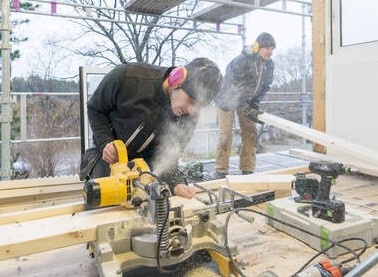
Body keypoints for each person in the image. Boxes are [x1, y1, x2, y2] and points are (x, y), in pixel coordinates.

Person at [79, 57, 223, 199]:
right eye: (191, 100)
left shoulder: (189, 113)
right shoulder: (127, 76)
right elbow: (95, 109)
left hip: (144, 170)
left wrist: (175, 184)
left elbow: (169, 157)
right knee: (97, 202)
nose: (192, 111)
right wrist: (106, 142)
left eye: (199, 107)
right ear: (176, 79)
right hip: (105, 159)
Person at [214, 32, 275, 175]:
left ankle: (247, 168)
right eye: (268, 48)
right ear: (257, 47)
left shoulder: (269, 65)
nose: (270, 52)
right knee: (226, 135)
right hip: (226, 99)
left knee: (250, 132)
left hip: (246, 101)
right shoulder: (242, 61)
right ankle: (221, 170)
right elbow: (232, 86)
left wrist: (254, 105)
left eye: (272, 49)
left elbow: (265, 86)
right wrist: (245, 107)